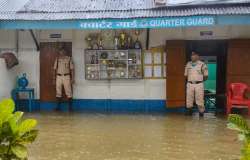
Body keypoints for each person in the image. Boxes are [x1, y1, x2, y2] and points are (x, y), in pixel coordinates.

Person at [184, 51, 208, 117]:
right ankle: (189, 112)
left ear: (197, 56)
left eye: (194, 55)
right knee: (189, 99)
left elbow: (206, 76)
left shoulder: (202, 64)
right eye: (191, 55)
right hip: (190, 84)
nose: (192, 56)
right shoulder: (188, 64)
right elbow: (185, 75)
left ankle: (201, 113)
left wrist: (200, 81)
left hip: (199, 84)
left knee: (199, 99)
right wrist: (191, 80)